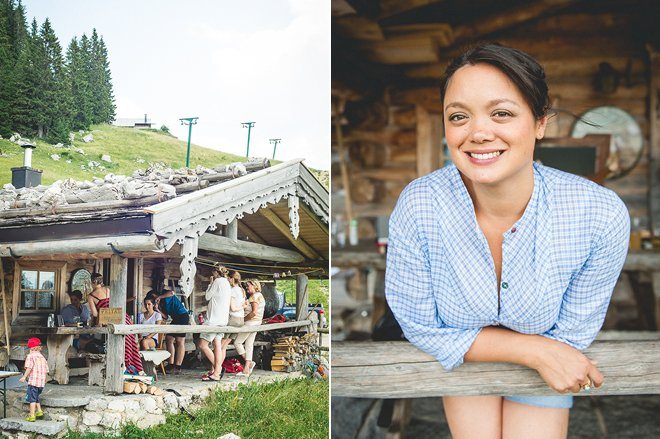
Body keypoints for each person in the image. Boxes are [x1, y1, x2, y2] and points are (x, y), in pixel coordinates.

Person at [385, 43, 630, 438]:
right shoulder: (420, 204)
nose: (478, 133)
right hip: (466, 365)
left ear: (539, 122)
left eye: (501, 113)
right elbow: (419, 324)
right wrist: (532, 350)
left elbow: (571, 336)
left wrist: (541, 352)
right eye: (459, 116)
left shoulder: (599, 214)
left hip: (533, 366)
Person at [87, 273, 143, 373]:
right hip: (123, 317)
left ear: (94, 282)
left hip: (110, 320)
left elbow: (95, 314)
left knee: (118, 345)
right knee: (130, 344)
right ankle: (135, 369)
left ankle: (122, 369)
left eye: (91, 282)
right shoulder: (108, 289)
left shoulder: (91, 296)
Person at [199, 266, 231, 381]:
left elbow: (208, 296)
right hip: (223, 320)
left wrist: (210, 284)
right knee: (217, 345)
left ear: (216, 273)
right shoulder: (227, 283)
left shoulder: (217, 281)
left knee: (203, 345)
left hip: (213, 320)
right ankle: (216, 373)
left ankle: (218, 369)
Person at [233, 279, 266, 376]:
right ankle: (246, 368)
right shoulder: (260, 295)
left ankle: (249, 363)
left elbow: (254, 312)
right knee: (249, 344)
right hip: (257, 323)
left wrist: (243, 320)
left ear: (255, 286)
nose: (247, 288)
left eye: (248, 286)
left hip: (250, 323)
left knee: (237, 342)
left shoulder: (254, 297)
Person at [156, 287, 189, 374]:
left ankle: (178, 366)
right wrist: (157, 309)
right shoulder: (161, 304)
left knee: (180, 341)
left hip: (183, 315)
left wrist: (160, 297)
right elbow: (166, 317)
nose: (155, 299)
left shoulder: (166, 294)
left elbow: (172, 292)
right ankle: (170, 364)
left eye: (155, 297)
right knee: (169, 338)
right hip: (176, 318)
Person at [19, 338, 48, 422]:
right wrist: (44, 380)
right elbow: (46, 370)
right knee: (36, 397)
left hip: (33, 382)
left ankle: (32, 415)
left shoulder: (30, 356)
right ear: (39, 347)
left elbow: (29, 367)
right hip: (41, 383)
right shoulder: (42, 357)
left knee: (32, 399)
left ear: (31, 348)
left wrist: (24, 376)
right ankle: (39, 411)